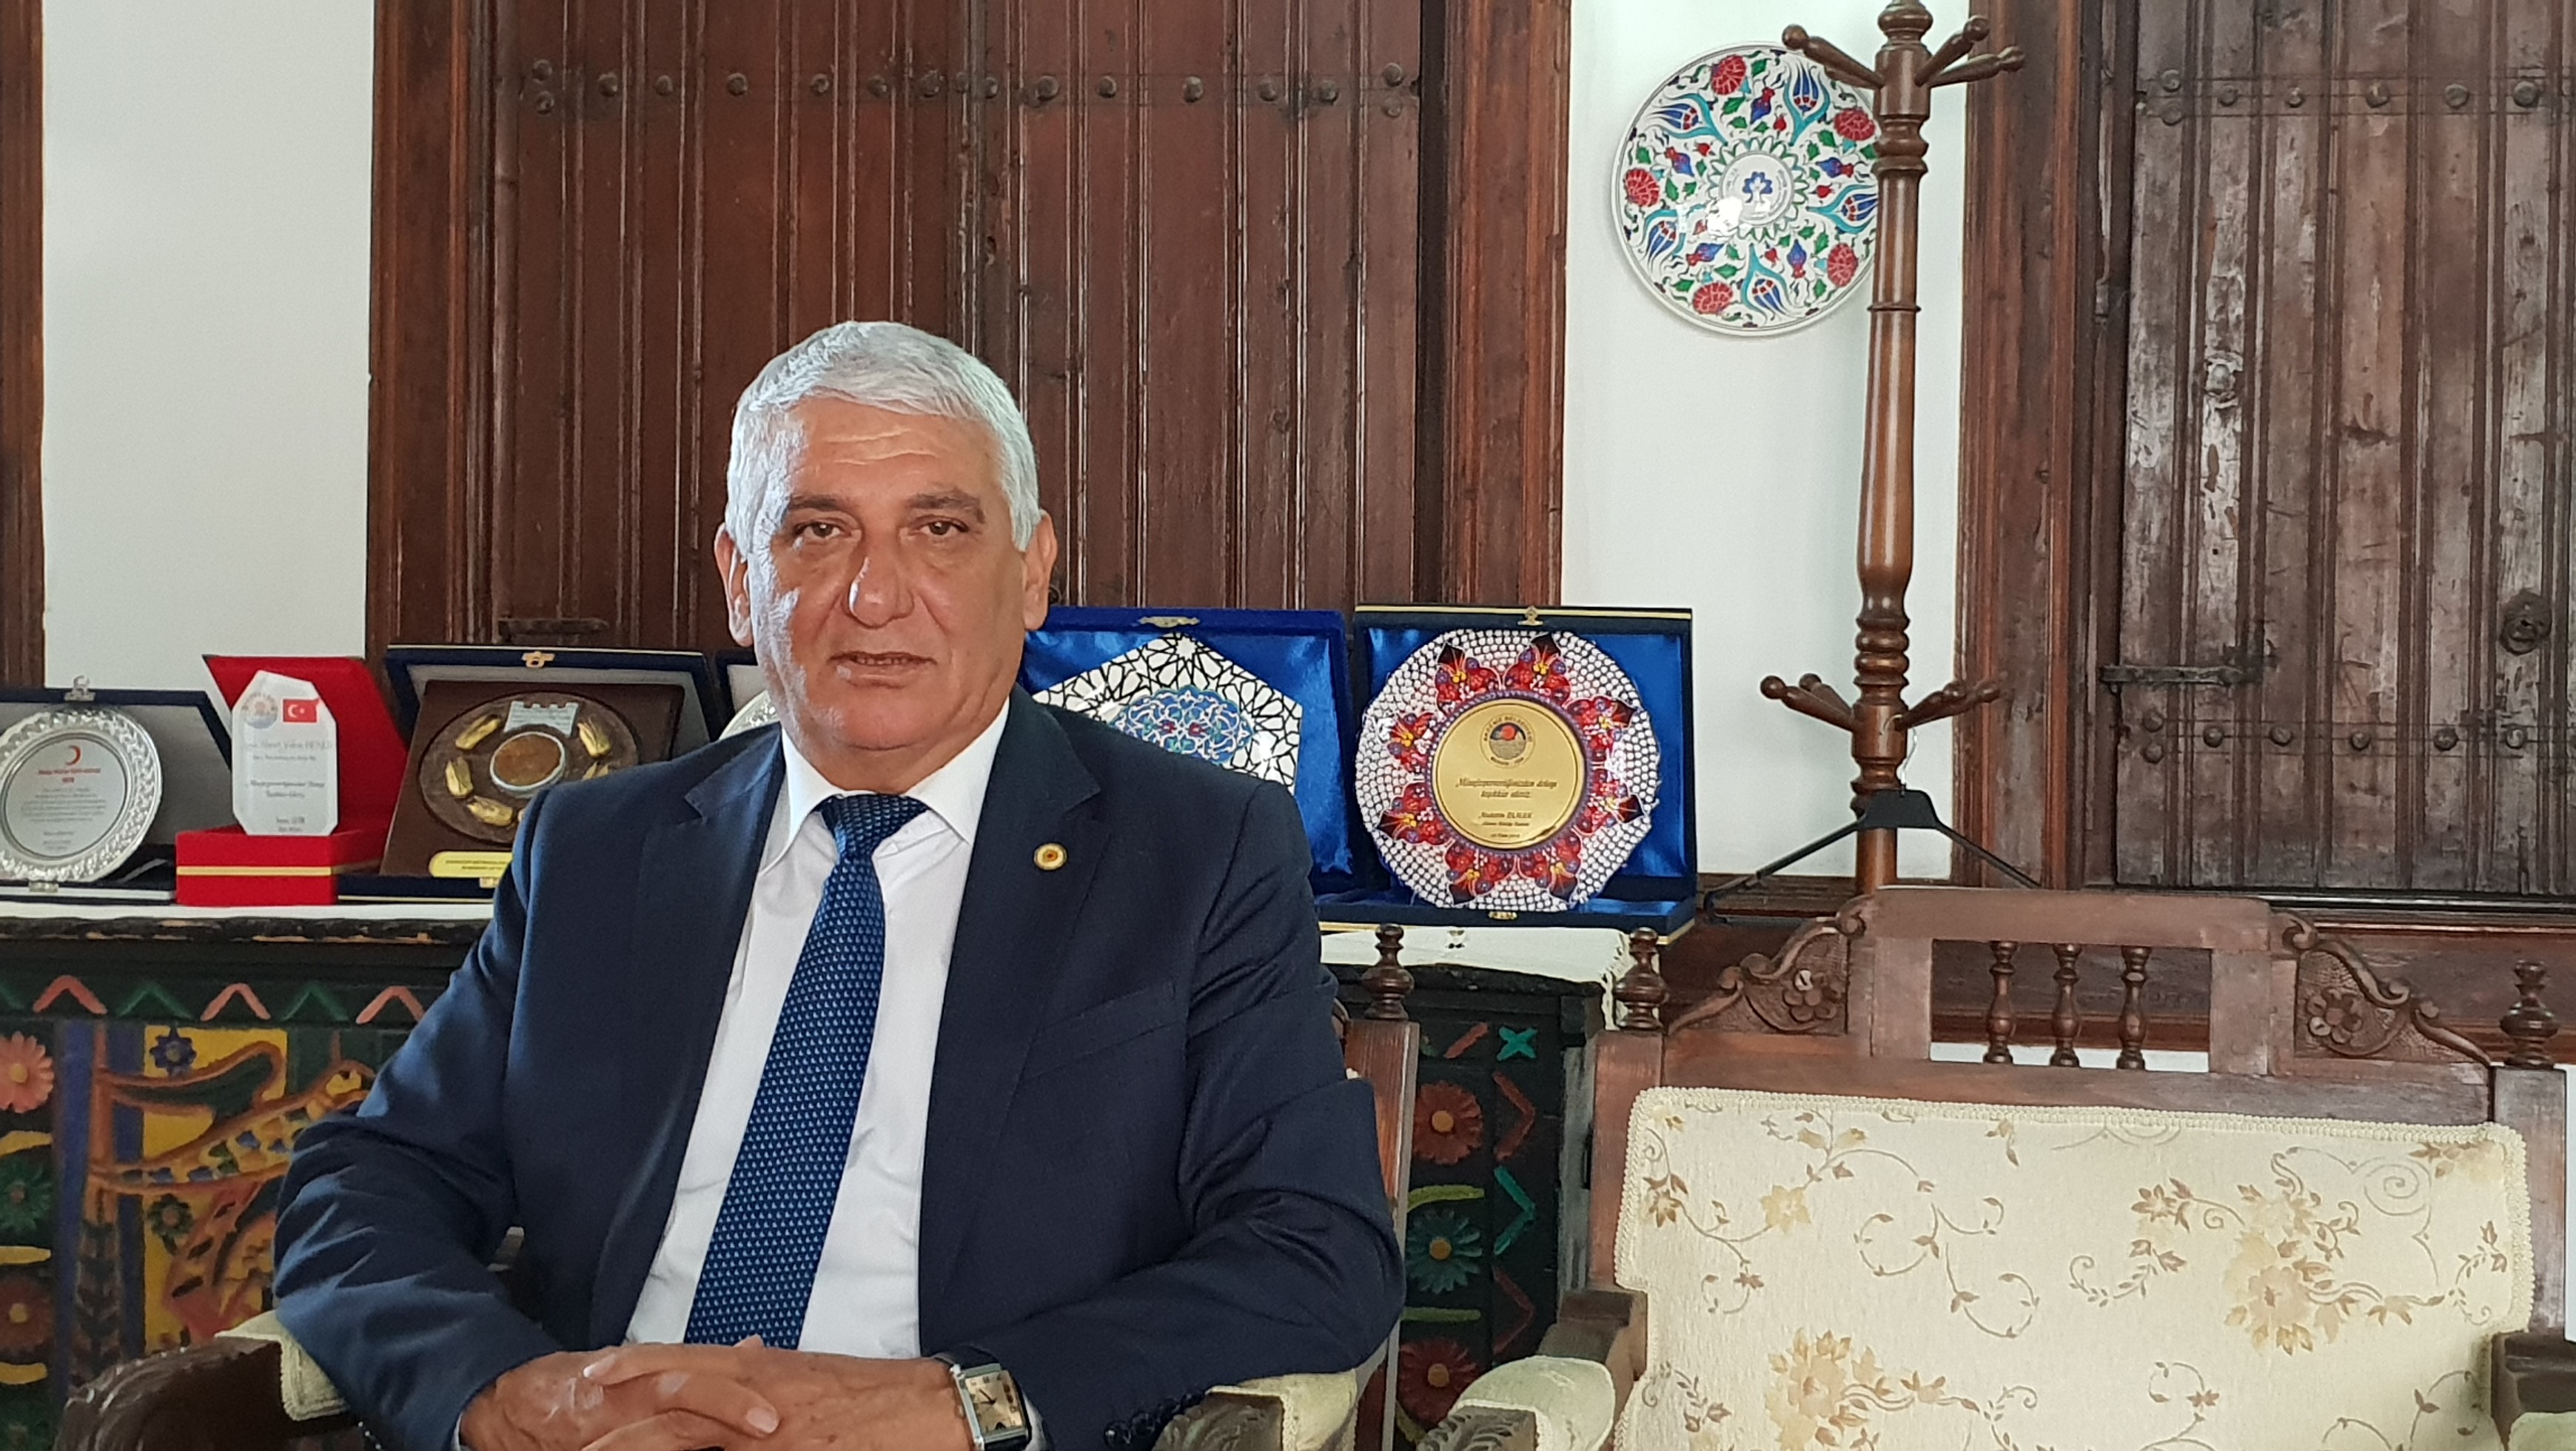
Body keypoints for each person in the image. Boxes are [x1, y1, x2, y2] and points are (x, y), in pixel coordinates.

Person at [272, 321, 1403, 1451]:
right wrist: (498, 1395)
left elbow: (1315, 1250)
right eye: (818, 531)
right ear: (740, 581)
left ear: (1032, 572)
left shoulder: (1195, 852)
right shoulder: (599, 850)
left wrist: (963, 1402)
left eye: (940, 530)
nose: (875, 595)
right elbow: (366, 1186)